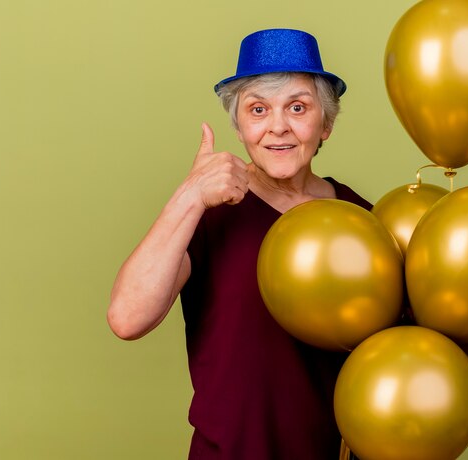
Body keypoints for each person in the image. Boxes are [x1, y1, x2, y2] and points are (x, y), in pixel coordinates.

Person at [107, 28, 370, 460]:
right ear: (240, 125)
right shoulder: (209, 211)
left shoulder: (361, 217)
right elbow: (127, 318)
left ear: (326, 124)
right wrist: (189, 195)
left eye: (298, 107)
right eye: (258, 109)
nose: (278, 126)